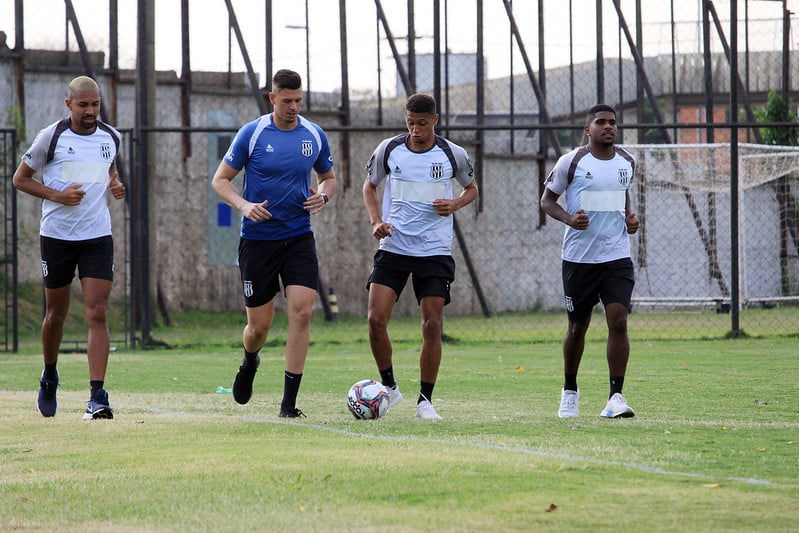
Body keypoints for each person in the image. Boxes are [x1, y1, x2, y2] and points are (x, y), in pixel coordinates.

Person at [211, 69, 336, 418]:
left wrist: (324, 196)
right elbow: (220, 180)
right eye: (287, 100)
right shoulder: (252, 134)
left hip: (298, 237)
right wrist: (244, 205)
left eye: (298, 100)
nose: (294, 106)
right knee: (258, 327)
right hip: (258, 242)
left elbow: (328, 178)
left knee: (302, 313)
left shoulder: (314, 134)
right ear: (273, 98)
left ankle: (288, 404)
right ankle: (249, 361)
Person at [13, 75, 125, 419]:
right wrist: (57, 196)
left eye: (95, 104)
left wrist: (115, 183)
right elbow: (21, 179)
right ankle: (49, 375)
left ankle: (97, 396)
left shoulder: (112, 137)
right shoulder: (52, 136)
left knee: (97, 311)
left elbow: (108, 169)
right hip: (58, 236)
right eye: (83, 105)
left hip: (96, 236)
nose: (90, 111)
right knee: (56, 315)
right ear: (69, 105)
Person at [363, 93, 478, 420]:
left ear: (435, 121)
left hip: (433, 250)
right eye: (411, 123)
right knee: (375, 319)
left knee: (431, 324)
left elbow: (472, 189)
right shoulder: (389, 149)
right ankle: (390, 387)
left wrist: (454, 203)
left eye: (422, 124)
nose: (416, 130)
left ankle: (425, 401)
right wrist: (375, 221)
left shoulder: (452, 153)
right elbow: (369, 186)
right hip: (395, 246)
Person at [540, 103, 640, 419]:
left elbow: (621, 196)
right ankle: (569, 392)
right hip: (579, 260)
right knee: (577, 327)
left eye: (612, 122)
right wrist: (570, 219)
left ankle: (616, 397)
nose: (608, 126)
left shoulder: (627, 161)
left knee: (619, 320)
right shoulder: (571, 162)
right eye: (601, 122)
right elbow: (547, 201)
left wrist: (629, 220)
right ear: (588, 129)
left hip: (616, 257)